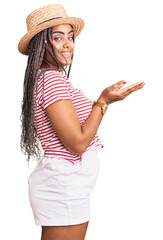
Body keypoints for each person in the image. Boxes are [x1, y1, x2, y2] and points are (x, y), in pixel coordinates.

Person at [18, 4, 145, 240]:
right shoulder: (52, 81)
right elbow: (77, 143)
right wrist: (103, 102)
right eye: (57, 38)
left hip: (67, 184)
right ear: (39, 45)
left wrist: (103, 101)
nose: (68, 44)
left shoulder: (50, 79)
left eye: (70, 37)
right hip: (64, 185)